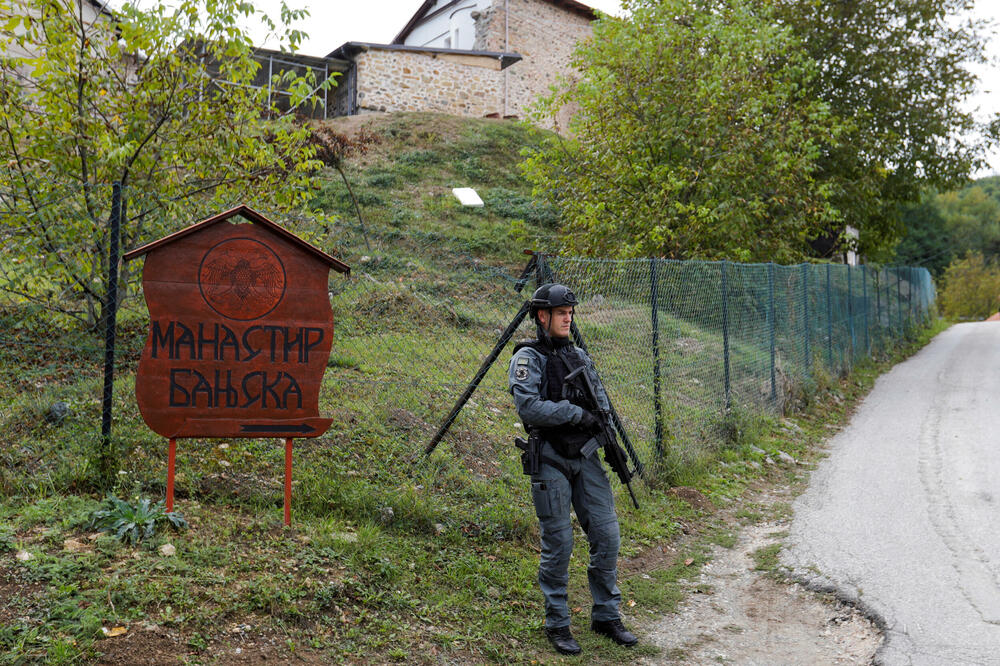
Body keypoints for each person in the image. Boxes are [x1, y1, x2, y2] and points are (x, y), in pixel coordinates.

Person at [507, 282, 638, 655]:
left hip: (586, 457)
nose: (568, 317)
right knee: (559, 543)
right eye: (562, 312)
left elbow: (601, 403)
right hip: (549, 458)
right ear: (542, 316)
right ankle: (558, 623)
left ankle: (606, 615)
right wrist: (575, 414)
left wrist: (605, 433)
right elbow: (529, 408)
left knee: (608, 535)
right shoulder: (527, 359)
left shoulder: (579, 355)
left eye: (570, 312)